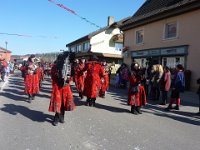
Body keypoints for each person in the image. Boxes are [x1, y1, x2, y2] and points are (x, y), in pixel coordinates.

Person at [49, 52, 76, 126]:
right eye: (66, 58)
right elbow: (52, 76)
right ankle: (56, 118)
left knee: (64, 103)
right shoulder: (56, 66)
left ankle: (62, 116)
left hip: (66, 87)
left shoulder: (70, 66)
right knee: (58, 102)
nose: (67, 60)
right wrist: (59, 77)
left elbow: (71, 77)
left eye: (68, 58)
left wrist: (68, 79)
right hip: (58, 87)